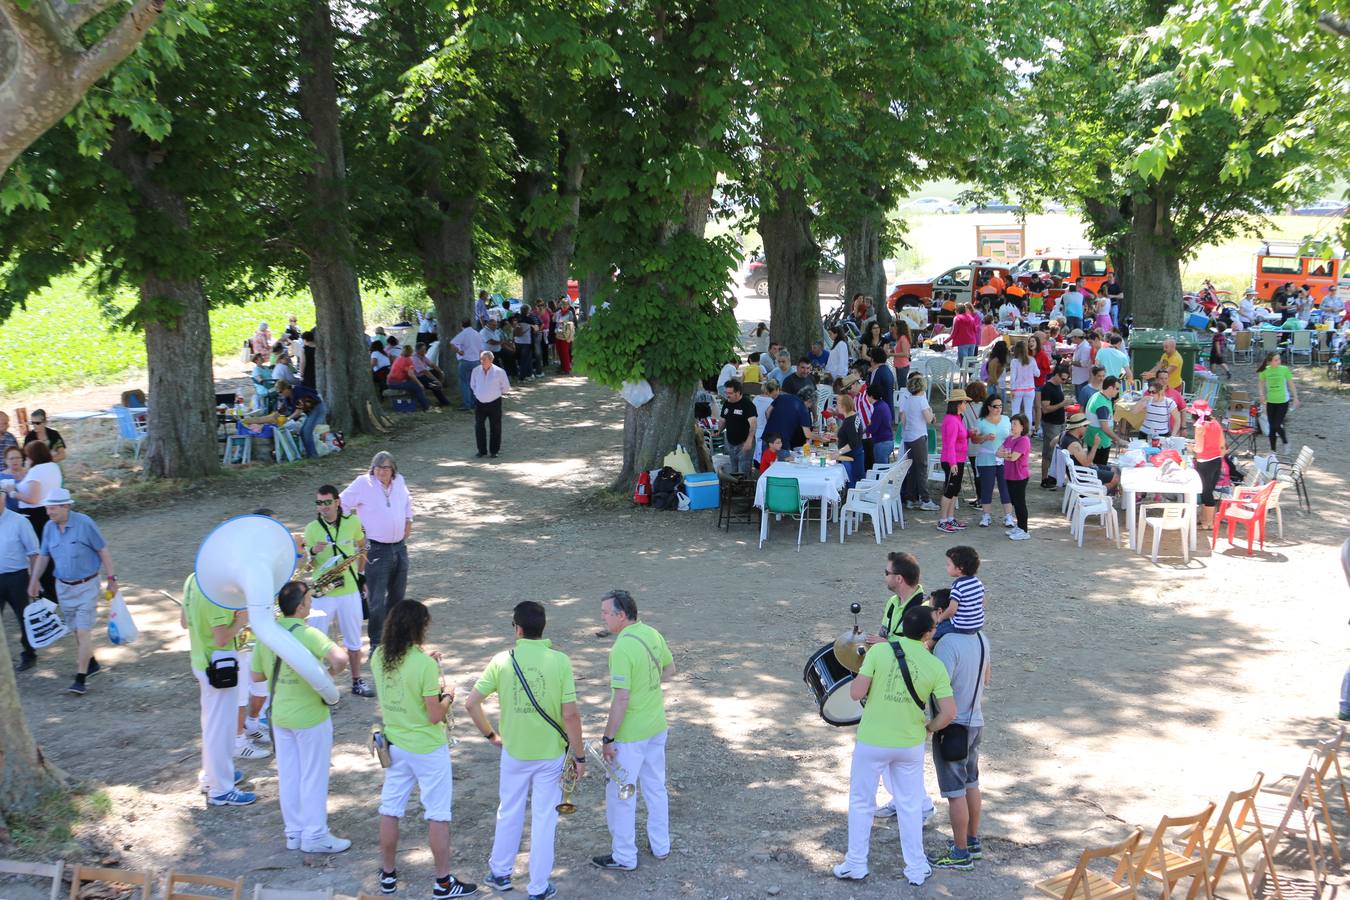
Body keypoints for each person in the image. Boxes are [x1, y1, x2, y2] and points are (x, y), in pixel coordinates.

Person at [466, 601, 585, 900]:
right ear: (542, 627)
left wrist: (491, 734)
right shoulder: (560, 661)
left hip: (515, 752)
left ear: (517, 628)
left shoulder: (501, 660)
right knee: (544, 818)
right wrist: (580, 755)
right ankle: (539, 887)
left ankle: (500, 872)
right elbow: (570, 715)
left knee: (509, 811)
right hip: (550, 754)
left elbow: (471, 703)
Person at [833, 605, 955, 887]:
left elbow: (856, 693)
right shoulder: (934, 665)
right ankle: (916, 867)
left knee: (862, 800)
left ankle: (855, 863)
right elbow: (949, 712)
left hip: (872, 739)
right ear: (928, 633)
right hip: (909, 742)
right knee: (910, 804)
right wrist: (928, 727)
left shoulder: (878, 651)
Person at [370, 601, 477, 898]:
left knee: (390, 809)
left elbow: (403, 670)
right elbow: (434, 715)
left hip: (395, 744)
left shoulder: (379, 656)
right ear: (419, 628)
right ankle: (443, 882)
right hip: (428, 748)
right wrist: (449, 697)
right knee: (438, 814)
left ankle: (388, 875)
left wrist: (424, 659)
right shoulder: (424, 666)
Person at [250, 581, 350, 853]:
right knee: (314, 775)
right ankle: (316, 835)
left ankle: (293, 833)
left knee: (290, 775)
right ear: (300, 606)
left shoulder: (267, 635)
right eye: (308, 598)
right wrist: (324, 678)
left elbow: (257, 675)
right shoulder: (309, 634)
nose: (311, 602)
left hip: (280, 715)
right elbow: (340, 659)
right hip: (310, 715)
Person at [593, 590, 675, 872]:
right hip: (656, 725)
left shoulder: (621, 649)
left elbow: (622, 698)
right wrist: (648, 689)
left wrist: (608, 737)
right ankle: (661, 845)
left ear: (621, 615)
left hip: (630, 734)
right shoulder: (652, 634)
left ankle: (624, 855)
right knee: (655, 786)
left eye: (605, 612)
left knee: (623, 794)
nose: (602, 617)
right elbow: (670, 670)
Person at [27, 488, 116, 695]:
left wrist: (112, 578)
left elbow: (102, 550)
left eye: (52, 508)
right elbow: (44, 556)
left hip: (87, 585)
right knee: (76, 629)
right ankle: (91, 662)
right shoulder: (49, 527)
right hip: (63, 587)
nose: (48, 512)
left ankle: (80, 679)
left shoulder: (85, 523)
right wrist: (34, 579)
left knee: (83, 630)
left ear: (66, 506)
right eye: (47, 508)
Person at [182, 567, 257, 807]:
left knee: (211, 723)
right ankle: (220, 789)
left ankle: (212, 775)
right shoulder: (216, 593)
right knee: (220, 727)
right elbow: (222, 638)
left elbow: (184, 622)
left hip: (201, 660)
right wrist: (241, 621)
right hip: (218, 665)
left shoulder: (192, 579)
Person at [928, 610, 991, 871]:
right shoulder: (982, 638)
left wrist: (931, 726)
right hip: (976, 721)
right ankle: (973, 841)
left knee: (955, 793)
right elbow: (987, 678)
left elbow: (937, 684)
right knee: (971, 783)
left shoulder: (947, 644)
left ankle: (960, 853)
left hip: (952, 726)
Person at [340, 452, 413, 651]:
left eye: (385, 468)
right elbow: (342, 503)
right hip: (376, 548)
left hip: (399, 547)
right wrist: (356, 528)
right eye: (377, 468)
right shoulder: (363, 483)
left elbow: (407, 501)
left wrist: (409, 520)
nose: (380, 471)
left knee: (398, 595)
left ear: (393, 470)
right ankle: (376, 643)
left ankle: (394, 637)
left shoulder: (400, 482)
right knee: (377, 599)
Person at [304, 484, 371, 697]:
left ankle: (357, 681)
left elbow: (362, 546)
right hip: (322, 593)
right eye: (319, 503)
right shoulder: (312, 529)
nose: (323, 507)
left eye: (326, 502)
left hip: (348, 589)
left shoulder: (352, 522)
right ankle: (316, 687)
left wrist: (360, 575)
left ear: (337, 502)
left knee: (353, 639)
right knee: (316, 640)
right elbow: (307, 566)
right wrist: (312, 552)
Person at [0, 497, 40, 672]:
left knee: (24, 618)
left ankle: (29, 654)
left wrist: (35, 580)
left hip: (17, 577)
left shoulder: (19, 521)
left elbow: (33, 553)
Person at [973, 398, 1014, 530]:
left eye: (1001, 406)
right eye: (996, 406)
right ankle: (986, 515)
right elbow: (974, 439)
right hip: (986, 458)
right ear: (989, 407)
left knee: (1005, 487)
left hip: (1004, 458)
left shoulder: (1006, 420)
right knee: (987, 487)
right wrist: (984, 437)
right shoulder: (980, 422)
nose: (999, 409)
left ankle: (1008, 515)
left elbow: (1012, 436)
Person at [1187, 400, 1226, 531]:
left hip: (1205, 462)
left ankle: (1208, 523)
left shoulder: (1200, 427)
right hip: (1217, 461)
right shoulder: (1215, 423)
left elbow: (1199, 448)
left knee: (1205, 491)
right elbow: (1222, 443)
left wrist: (1191, 447)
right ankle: (1206, 520)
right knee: (1209, 490)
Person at [1059, 412, 1120, 490]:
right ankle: (1096, 494)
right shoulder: (1074, 444)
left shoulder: (1063, 435)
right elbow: (1087, 463)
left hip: (1080, 470)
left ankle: (1099, 492)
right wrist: (1095, 445)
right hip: (1082, 474)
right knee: (1116, 478)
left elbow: (1052, 443)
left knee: (1115, 469)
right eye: (1085, 425)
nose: (1087, 428)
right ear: (1079, 427)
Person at [938, 389, 970, 533]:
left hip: (959, 459)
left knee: (955, 489)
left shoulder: (957, 418)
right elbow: (950, 444)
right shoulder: (951, 420)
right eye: (964, 402)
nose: (966, 404)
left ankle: (950, 518)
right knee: (950, 490)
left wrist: (971, 433)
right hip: (953, 460)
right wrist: (953, 463)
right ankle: (943, 520)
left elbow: (960, 436)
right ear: (958, 403)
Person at [470, 351, 511, 459]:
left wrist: (494, 394)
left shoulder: (499, 372)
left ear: (491, 360)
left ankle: (494, 451)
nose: (482, 361)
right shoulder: (476, 370)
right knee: (479, 426)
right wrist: (479, 394)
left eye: (485, 359)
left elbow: (505, 388)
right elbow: (472, 385)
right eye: (481, 359)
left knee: (495, 427)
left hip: (495, 402)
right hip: (479, 402)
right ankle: (481, 450)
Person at [1256, 350, 1299, 452]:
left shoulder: (1284, 369)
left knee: (1276, 425)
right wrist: (1261, 395)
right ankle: (1273, 451)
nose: (1278, 361)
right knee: (1272, 427)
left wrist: (1295, 397)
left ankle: (1285, 442)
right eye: (1276, 360)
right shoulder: (1265, 371)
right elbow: (1261, 384)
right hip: (1270, 402)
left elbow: (1291, 384)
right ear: (1270, 362)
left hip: (1283, 402)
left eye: (1279, 359)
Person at [999, 414, 1032, 540]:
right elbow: (998, 451)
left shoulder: (1023, 440)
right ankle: (1019, 526)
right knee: (1014, 501)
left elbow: (1013, 457)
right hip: (1009, 475)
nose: (1012, 426)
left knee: (1019, 503)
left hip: (1019, 476)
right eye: (1011, 423)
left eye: (1015, 424)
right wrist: (1005, 454)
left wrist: (1005, 455)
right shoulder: (1009, 438)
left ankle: (1024, 530)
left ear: (1022, 426)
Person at [274, 380, 327, 459]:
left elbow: (298, 411)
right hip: (311, 411)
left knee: (306, 432)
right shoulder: (288, 396)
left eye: (280, 392)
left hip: (317, 409)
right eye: (278, 392)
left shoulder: (298, 392)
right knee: (302, 432)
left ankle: (313, 456)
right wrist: (276, 414)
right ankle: (309, 453)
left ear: (286, 389)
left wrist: (287, 419)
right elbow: (281, 410)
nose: (280, 394)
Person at [1039, 364, 1071, 488]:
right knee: (1049, 452)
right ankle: (1044, 478)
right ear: (1056, 375)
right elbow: (1045, 409)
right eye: (1063, 379)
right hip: (1051, 424)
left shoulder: (1058, 386)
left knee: (1059, 452)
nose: (1064, 381)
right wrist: (1062, 404)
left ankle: (1055, 477)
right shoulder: (1047, 388)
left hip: (1060, 423)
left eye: (1066, 379)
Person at [718, 380, 757, 478]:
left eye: (730, 393)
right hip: (731, 443)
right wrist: (718, 430)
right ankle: (734, 491)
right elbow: (723, 420)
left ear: (738, 392)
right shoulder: (727, 403)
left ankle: (744, 492)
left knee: (743, 472)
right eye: (726, 393)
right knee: (733, 472)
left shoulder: (747, 404)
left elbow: (753, 423)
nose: (727, 395)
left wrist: (749, 440)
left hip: (744, 443)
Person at [1085, 376, 1125, 464]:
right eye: (1117, 389)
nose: (1118, 391)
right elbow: (1105, 428)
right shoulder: (1102, 405)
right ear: (1110, 388)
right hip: (1100, 444)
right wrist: (1118, 440)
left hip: (1094, 440)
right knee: (1100, 469)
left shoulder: (1097, 395)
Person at [945, 545, 985, 632]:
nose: (946, 567)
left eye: (948, 565)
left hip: (961, 626)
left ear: (960, 568)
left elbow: (952, 610)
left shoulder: (958, 586)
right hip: (978, 624)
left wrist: (941, 618)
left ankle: (928, 645)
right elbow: (983, 602)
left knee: (939, 629)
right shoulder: (978, 582)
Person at [388, 345, 435, 412]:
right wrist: (420, 383)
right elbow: (411, 374)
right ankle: (426, 407)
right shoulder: (408, 360)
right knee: (417, 386)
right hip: (396, 383)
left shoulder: (399, 358)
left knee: (413, 385)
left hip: (391, 382)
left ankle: (417, 404)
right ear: (411, 352)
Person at [833, 393, 864, 489]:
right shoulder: (853, 416)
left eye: (837, 404)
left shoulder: (850, 421)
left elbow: (853, 442)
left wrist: (838, 452)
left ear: (843, 406)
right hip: (854, 456)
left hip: (852, 458)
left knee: (852, 485)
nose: (836, 407)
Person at [1007, 340, 1038, 421]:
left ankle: (1014, 430)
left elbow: (1013, 377)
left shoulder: (1014, 362)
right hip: (1030, 389)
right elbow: (1037, 374)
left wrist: (1012, 389)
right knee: (1028, 412)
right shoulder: (1032, 360)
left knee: (1015, 411)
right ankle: (1029, 430)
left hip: (1017, 389)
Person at [866, 382, 895, 467]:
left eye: (867, 396)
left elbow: (873, 428)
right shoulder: (883, 404)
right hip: (887, 441)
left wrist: (866, 428)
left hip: (882, 443)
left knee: (881, 470)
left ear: (871, 396)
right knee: (884, 469)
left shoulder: (878, 409)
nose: (867, 398)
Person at [1069, 329, 1094, 394]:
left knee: (1081, 400)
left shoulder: (1085, 347)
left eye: (1072, 337)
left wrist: (1070, 362)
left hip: (1083, 379)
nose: (1071, 339)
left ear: (1076, 337)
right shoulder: (1080, 345)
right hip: (1079, 378)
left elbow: (1083, 364)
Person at [554, 303, 576, 374]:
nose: (564, 306)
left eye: (566, 305)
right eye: (563, 304)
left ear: (568, 306)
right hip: (558, 333)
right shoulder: (558, 313)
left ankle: (566, 369)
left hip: (566, 334)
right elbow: (555, 321)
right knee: (559, 351)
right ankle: (562, 367)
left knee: (565, 351)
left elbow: (571, 323)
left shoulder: (570, 313)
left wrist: (564, 323)